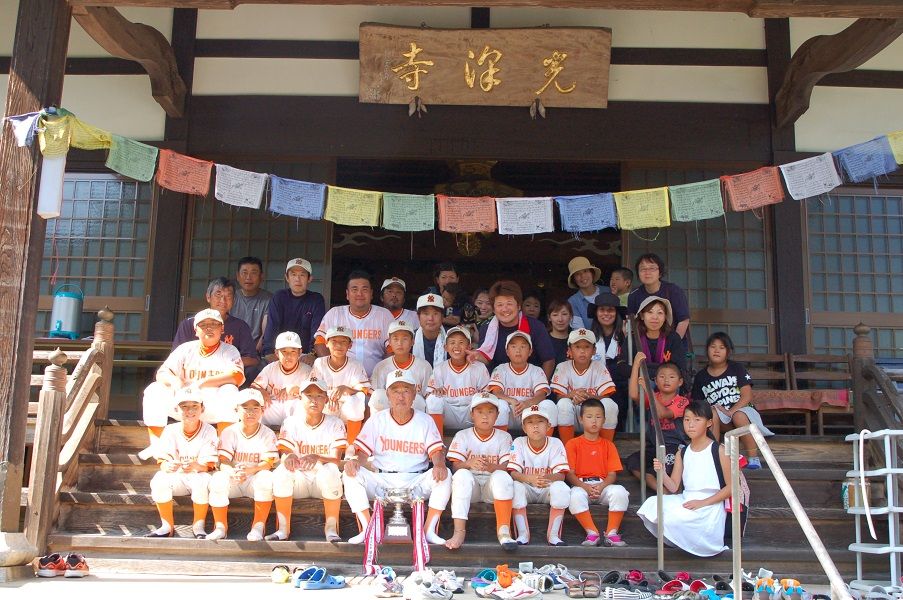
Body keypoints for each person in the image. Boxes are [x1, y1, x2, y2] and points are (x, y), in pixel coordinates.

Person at [342, 369, 451, 545]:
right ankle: (368, 529)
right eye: (395, 391)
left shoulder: (425, 420)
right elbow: (362, 453)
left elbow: (436, 451)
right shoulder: (377, 420)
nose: (401, 397)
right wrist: (354, 462)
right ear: (388, 395)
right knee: (350, 474)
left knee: (446, 475)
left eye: (406, 390)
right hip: (382, 480)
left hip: (415, 481)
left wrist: (439, 464)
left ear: (414, 394)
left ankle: (428, 530)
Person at [636, 400, 732, 557]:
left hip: (710, 506)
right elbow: (674, 487)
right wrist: (662, 473)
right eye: (687, 420)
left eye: (697, 420)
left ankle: (690, 539)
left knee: (674, 518)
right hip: (687, 500)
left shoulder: (719, 450)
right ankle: (681, 538)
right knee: (653, 504)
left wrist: (702, 503)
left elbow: (731, 487)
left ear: (709, 423)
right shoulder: (682, 452)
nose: (691, 425)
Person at [143, 308, 244, 442]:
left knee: (230, 390)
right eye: (203, 325)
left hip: (210, 406)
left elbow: (237, 376)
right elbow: (162, 373)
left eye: (214, 324)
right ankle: (158, 445)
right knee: (154, 389)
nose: (209, 328)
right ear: (196, 330)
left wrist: (203, 382)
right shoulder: (185, 348)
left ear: (222, 329)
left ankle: (224, 445)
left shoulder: (229, 350)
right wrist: (175, 381)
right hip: (183, 403)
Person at [269, 377, 346, 542]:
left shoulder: (335, 423)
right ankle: (283, 529)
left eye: (319, 396)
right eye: (309, 395)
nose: (314, 400)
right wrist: (288, 456)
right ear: (300, 398)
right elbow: (285, 452)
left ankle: (331, 529)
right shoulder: (290, 422)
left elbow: (336, 460)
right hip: (299, 482)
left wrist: (317, 457)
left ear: (326, 399)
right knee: (281, 471)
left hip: (322, 483)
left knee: (331, 470)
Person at [692, 332, 773, 470]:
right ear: (707, 350)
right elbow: (699, 404)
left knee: (738, 415)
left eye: (722, 347)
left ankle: (753, 457)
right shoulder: (701, 376)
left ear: (728, 352)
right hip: (721, 420)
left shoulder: (736, 368)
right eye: (713, 347)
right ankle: (713, 455)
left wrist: (730, 412)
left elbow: (747, 395)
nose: (717, 350)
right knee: (712, 413)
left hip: (744, 413)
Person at [445, 392, 516, 550]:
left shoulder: (504, 437)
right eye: (480, 411)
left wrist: (492, 467)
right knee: (461, 475)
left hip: (492, 487)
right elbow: (455, 466)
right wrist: (468, 463)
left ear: (497, 415)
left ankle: (504, 531)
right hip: (472, 488)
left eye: (490, 412)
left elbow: (507, 467)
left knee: (502, 476)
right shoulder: (462, 435)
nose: (485, 416)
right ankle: (459, 531)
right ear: (472, 414)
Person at [146, 388, 218, 539]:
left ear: (202, 408)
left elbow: (209, 466)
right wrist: (167, 465)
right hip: (178, 477)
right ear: (176, 409)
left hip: (198, 475)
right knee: (159, 479)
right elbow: (163, 461)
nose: (190, 411)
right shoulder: (170, 429)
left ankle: (198, 526)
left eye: (195, 406)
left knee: (202, 480)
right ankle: (167, 527)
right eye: (184, 406)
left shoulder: (209, 430)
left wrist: (196, 466)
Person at [207, 388, 278, 541]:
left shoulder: (267, 433)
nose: (250, 412)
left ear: (262, 410)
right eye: (245, 408)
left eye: (255, 408)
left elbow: (268, 463)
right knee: (218, 478)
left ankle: (258, 527)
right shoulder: (229, 431)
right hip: (234, 478)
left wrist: (251, 470)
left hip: (253, 479)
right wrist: (231, 472)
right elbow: (224, 461)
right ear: (236, 410)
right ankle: (220, 527)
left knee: (266, 477)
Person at [566, 398, 630, 547]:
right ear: (581, 419)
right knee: (574, 496)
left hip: (603, 485)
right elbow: (569, 474)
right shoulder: (572, 444)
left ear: (604, 420)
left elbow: (612, 474)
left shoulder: (608, 445)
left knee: (620, 492)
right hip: (581, 485)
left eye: (598, 417)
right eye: (589, 417)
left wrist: (601, 487)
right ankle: (592, 532)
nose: (594, 421)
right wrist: (585, 487)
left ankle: (612, 533)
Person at [508, 405, 570, 546]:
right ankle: (523, 534)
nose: (535, 426)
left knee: (562, 488)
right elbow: (513, 472)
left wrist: (544, 479)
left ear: (548, 426)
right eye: (530, 422)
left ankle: (553, 535)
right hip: (527, 487)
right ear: (524, 428)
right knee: (515, 487)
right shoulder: (519, 442)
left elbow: (561, 475)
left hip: (547, 487)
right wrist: (530, 479)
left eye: (540, 421)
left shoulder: (556, 443)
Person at [172, 278, 258, 380]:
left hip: (227, 376)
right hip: (195, 373)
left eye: (228, 296)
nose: (223, 300)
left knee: (252, 371)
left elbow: (252, 359)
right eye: (218, 294)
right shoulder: (188, 324)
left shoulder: (240, 326)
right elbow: (176, 357)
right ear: (208, 297)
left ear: (234, 300)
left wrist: (222, 364)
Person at [314, 270, 394, 377]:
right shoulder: (334, 313)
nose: (359, 294)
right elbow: (320, 342)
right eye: (354, 289)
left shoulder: (384, 315)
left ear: (371, 294)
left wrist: (382, 375)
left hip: (376, 378)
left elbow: (392, 348)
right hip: (341, 377)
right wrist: (333, 371)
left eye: (364, 290)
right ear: (347, 294)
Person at [625, 358, 689, 491]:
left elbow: (662, 414)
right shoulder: (654, 396)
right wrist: (636, 365)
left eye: (671, 377)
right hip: (653, 445)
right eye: (662, 376)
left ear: (680, 382)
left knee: (654, 474)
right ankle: (665, 494)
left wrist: (649, 391)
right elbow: (633, 395)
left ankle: (667, 495)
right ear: (655, 380)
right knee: (633, 461)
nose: (666, 380)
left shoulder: (682, 401)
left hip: (673, 446)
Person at [425, 326, 500, 435]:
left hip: (471, 414)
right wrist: (435, 392)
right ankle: (437, 440)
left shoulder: (479, 367)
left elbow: (487, 396)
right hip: (449, 414)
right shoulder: (439, 369)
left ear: (469, 346)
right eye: (452, 342)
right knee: (433, 399)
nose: (456, 346)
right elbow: (428, 397)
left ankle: (485, 438)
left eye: (461, 342)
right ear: (445, 347)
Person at [475, 280, 556, 378]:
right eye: (500, 305)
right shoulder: (486, 328)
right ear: (494, 308)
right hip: (497, 384)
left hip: (531, 383)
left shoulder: (536, 326)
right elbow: (487, 360)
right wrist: (476, 356)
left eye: (509, 303)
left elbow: (548, 360)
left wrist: (541, 385)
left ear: (519, 306)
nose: (505, 309)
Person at [551, 328, 618, 445]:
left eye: (587, 347)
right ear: (569, 350)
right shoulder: (562, 367)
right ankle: (568, 447)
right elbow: (558, 397)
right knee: (563, 404)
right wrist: (571, 395)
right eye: (577, 347)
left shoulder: (599, 367)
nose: (582, 351)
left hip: (594, 415)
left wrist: (589, 397)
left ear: (594, 350)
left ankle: (605, 446)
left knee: (610, 404)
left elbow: (606, 396)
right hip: (573, 415)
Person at [311, 326, 368, 445]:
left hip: (346, 412)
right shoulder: (319, 363)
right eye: (334, 341)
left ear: (350, 345)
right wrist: (327, 398)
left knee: (357, 399)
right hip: (326, 407)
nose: (338, 345)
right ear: (326, 343)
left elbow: (364, 391)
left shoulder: (355, 365)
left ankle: (352, 445)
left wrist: (345, 388)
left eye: (343, 342)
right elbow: (312, 388)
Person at [487, 331, 555, 432]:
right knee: (500, 404)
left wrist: (528, 403)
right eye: (513, 346)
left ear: (530, 351)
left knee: (549, 404)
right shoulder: (500, 369)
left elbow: (541, 395)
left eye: (523, 347)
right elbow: (496, 393)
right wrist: (511, 400)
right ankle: (500, 438)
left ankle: (545, 440)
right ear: (507, 351)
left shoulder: (536, 370)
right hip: (510, 411)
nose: (518, 350)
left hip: (530, 412)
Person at [261, 258, 326, 363]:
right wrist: (269, 352)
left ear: (310, 279)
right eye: (293, 274)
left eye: (302, 275)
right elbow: (272, 326)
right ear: (287, 277)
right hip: (280, 353)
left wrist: (312, 354)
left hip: (305, 354)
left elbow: (317, 330)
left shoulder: (316, 300)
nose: (297, 279)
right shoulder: (279, 297)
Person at [627, 253, 691, 349]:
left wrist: (673, 344)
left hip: (673, 346)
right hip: (645, 347)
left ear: (660, 272)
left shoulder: (673, 291)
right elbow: (631, 323)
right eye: (643, 269)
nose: (647, 272)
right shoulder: (634, 295)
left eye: (652, 268)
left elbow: (684, 320)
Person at [369, 320, 434, 413]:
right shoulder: (381, 367)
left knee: (418, 399)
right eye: (395, 339)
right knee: (377, 395)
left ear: (412, 341)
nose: (400, 343)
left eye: (405, 339)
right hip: (388, 413)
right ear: (389, 342)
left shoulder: (424, 366)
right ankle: (377, 423)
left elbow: (428, 396)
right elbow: (375, 397)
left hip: (414, 414)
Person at [251, 331, 312, 428]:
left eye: (293, 351)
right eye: (284, 351)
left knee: (302, 406)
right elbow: (253, 388)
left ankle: (293, 432)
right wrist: (261, 391)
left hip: (295, 408)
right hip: (273, 407)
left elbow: (314, 395)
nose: (289, 356)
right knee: (256, 406)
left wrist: (296, 389)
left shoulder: (307, 370)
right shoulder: (270, 368)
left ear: (300, 353)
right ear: (276, 353)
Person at [588, 292, 630, 431]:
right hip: (594, 385)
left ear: (616, 313)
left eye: (610, 310)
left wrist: (626, 336)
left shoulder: (625, 336)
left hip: (620, 387)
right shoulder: (589, 336)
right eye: (602, 310)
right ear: (596, 313)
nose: (606, 313)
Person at [632, 296, 687, 382]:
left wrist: (644, 368)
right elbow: (623, 367)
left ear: (665, 317)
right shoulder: (634, 338)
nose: (655, 317)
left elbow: (679, 368)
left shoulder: (673, 338)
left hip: (667, 386)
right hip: (639, 386)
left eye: (660, 313)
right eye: (650, 312)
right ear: (642, 316)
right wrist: (659, 369)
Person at [231, 256, 272, 353]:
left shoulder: (269, 299)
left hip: (257, 351)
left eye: (253, 273)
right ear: (237, 276)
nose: (248, 277)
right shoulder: (230, 297)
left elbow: (266, 331)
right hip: (230, 349)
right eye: (244, 273)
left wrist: (254, 352)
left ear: (261, 276)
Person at [566, 256, 605, 330]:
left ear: (592, 273)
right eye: (577, 274)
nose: (583, 276)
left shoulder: (607, 291)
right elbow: (579, 331)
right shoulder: (573, 301)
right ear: (574, 279)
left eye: (585, 271)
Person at [413, 293, 447, 368]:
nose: (430, 318)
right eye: (426, 314)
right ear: (418, 317)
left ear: (442, 317)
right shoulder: (410, 338)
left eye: (435, 313)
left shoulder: (452, 338)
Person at [546, 299, 573, 366]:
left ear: (571, 317)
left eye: (564, 314)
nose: (560, 319)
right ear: (549, 318)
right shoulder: (543, 340)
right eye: (555, 315)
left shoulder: (576, 340)